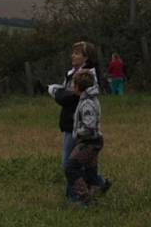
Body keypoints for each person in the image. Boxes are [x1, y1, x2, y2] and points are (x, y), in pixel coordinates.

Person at [48, 41, 110, 197]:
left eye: (77, 53)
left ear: (86, 57)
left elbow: (69, 97)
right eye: (73, 52)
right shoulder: (71, 73)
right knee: (86, 165)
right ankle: (98, 185)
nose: (72, 55)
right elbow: (66, 94)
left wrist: (58, 93)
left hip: (80, 127)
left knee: (70, 164)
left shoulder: (86, 77)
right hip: (71, 122)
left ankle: (77, 196)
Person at [64, 69, 104, 205]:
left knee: (71, 167)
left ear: (78, 87)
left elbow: (89, 126)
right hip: (94, 141)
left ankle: (83, 197)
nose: (71, 87)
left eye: (73, 85)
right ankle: (97, 191)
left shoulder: (86, 103)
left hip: (89, 142)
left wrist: (78, 132)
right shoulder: (87, 99)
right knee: (90, 171)